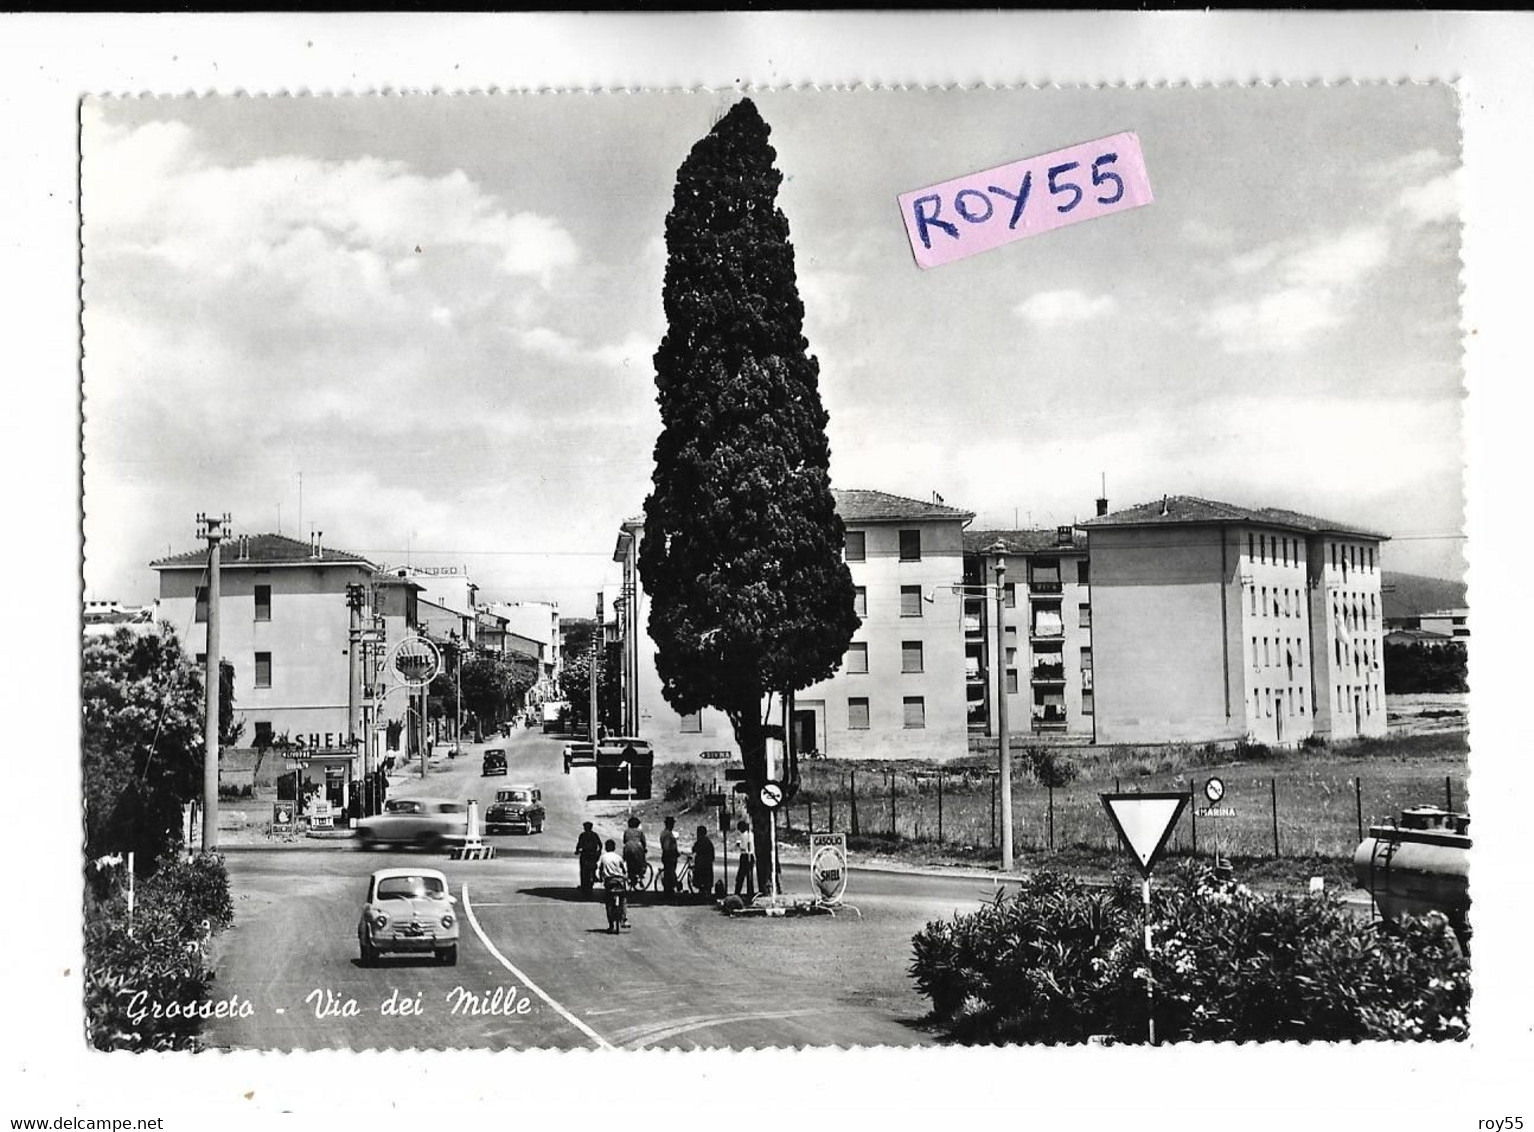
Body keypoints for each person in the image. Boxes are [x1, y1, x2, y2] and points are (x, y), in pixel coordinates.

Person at [596, 839, 628, 932]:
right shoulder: (618, 857)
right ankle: (624, 918)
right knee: (623, 899)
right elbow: (624, 870)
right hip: (619, 881)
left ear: (606, 848)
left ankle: (611, 925)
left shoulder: (603, 857)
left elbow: (600, 869)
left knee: (609, 903)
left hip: (609, 881)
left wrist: (600, 878)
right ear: (614, 848)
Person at [574, 821, 603, 894]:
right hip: (593, 855)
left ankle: (584, 885)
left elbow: (579, 844)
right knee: (592, 867)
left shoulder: (583, 835)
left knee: (583, 870)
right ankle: (593, 878)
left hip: (585, 854)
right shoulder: (595, 835)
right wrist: (599, 852)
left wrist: (577, 851)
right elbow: (600, 845)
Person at [622, 816, 648, 887]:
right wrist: (645, 848)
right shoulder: (640, 832)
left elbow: (624, 841)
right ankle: (640, 876)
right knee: (641, 863)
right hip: (638, 848)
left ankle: (631, 877)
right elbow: (643, 842)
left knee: (629, 863)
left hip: (628, 848)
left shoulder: (626, 831)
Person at [691, 825, 715, 900]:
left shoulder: (700, 841)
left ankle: (702, 893)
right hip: (708, 864)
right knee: (707, 881)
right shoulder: (708, 842)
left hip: (701, 864)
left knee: (700, 879)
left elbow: (694, 849)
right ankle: (706, 894)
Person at [734, 820, 755, 900]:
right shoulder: (751, 834)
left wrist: (738, 845)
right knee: (749, 876)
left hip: (745, 856)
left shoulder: (744, 835)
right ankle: (750, 892)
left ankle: (737, 892)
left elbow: (743, 847)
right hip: (751, 855)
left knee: (740, 876)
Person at [660, 816, 680, 897]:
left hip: (669, 856)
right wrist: (673, 852)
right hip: (669, 857)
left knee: (669, 873)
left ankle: (670, 889)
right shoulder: (667, 834)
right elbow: (666, 847)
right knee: (670, 872)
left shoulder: (666, 833)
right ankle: (669, 889)